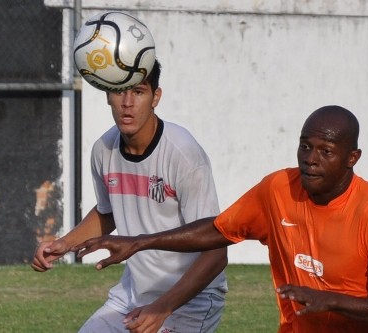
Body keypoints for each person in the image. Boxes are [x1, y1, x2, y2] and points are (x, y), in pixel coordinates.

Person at [72, 105, 368, 333]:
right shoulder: (278, 189)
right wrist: (140, 242)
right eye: (305, 146)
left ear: (352, 158)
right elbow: (217, 230)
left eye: (326, 151)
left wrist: (333, 300)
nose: (310, 159)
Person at [31, 59, 228, 333]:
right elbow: (108, 211)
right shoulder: (103, 149)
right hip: (133, 293)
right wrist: (64, 244)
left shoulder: (183, 153)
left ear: (155, 97)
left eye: (139, 91)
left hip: (190, 300)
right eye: (119, 90)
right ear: (108, 96)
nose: (127, 102)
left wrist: (163, 308)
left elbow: (216, 252)